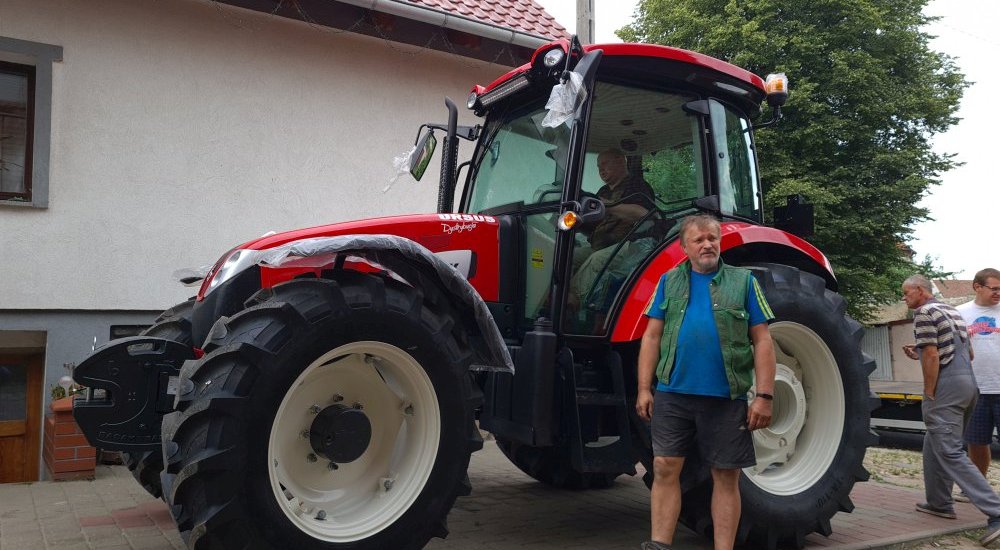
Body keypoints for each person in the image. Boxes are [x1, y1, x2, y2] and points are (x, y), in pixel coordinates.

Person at [635, 214, 776, 550]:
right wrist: (643, 388)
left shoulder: (743, 282)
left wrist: (764, 396)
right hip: (673, 394)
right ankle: (659, 545)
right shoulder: (668, 281)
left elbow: (763, 340)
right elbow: (651, 337)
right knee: (664, 466)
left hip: (725, 397)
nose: (707, 245)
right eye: (698, 240)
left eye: (712, 238)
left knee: (725, 475)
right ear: (684, 247)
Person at [900, 274, 1000, 547]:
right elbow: (969, 354)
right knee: (934, 440)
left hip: (947, 387)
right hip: (969, 384)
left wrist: (930, 391)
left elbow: (933, 356)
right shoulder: (952, 311)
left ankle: (996, 512)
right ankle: (939, 503)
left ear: (920, 290)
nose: (904, 298)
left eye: (907, 293)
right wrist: (920, 352)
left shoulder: (923, 313)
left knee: (950, 450)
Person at [569, 149, 657, 314]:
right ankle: (549, 298)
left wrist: (608, 205)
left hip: (631, 245)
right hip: (600, 244)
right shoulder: (603, 191)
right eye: (598, 166)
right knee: (568, 256)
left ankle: (571, 305)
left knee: (596, 260)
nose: (601, 170)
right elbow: (593, 223)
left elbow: (644, 214)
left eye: (605, 164)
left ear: (620, 161)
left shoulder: (637, 186)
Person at [958, 268, 1000, 487]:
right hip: (975, 388)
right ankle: (978, 488)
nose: (998, 293)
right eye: (994, 288)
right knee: (976, 441)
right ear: (977, 287)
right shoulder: (959, 313)